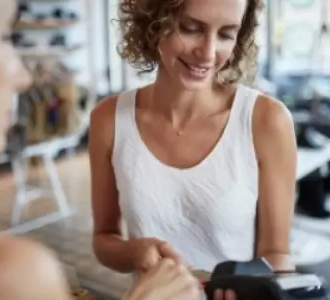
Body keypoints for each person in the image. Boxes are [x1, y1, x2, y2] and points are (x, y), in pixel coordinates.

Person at [0, 1, 200, 299]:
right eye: (3, 37)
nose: (25, 77)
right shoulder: (5, 275)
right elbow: (104, 238)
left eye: (226, 34)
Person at [90, 0, 297, 297]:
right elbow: (103, 240)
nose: (208, 53)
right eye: (190, 29)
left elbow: (277, 254)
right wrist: (135, 252)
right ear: (153, 20)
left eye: (226, 34)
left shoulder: (267, 121)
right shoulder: (108, 119)